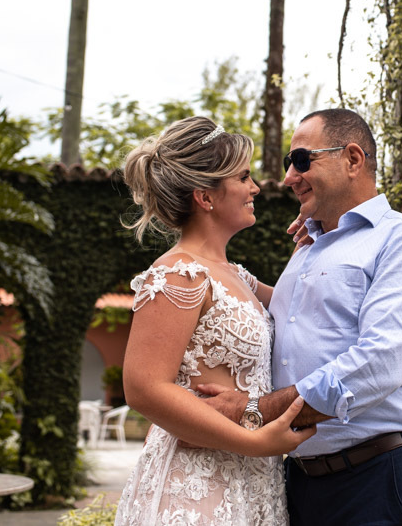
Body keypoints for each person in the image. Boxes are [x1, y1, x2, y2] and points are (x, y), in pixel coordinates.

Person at [198, 108, 402, 525]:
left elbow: (379, 364)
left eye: (301, 160)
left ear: (352, 159)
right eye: (287, 164)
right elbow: (282, 327)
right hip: (301, 484)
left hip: (381, 476)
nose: (288, 178)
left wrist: (257, 408)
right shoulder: (305, 248)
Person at [113, 116, 315, 525]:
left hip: (254, 483)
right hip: (197, 486)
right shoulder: (178, 274)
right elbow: (143, 388)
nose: (255, 187)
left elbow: (297, 314)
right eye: (243, 177)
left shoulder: (236, 275)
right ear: (206, 197)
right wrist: (253, 443)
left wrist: (314, 244)